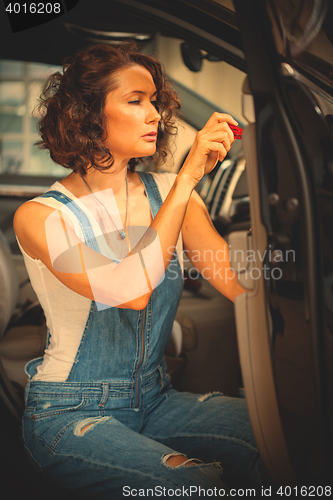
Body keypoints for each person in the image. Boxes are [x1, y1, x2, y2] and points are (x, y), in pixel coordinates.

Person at [14, 42, 274, 498]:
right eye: (135, 100)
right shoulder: (42, 216)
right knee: (193, 484)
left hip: (156, 399)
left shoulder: (173, 194)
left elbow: (242, 289)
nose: (154, 113)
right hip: (69, 411)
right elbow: (127, 289)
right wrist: (188, 179)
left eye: (154, 99)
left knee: (282, 438)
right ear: (88, 114)